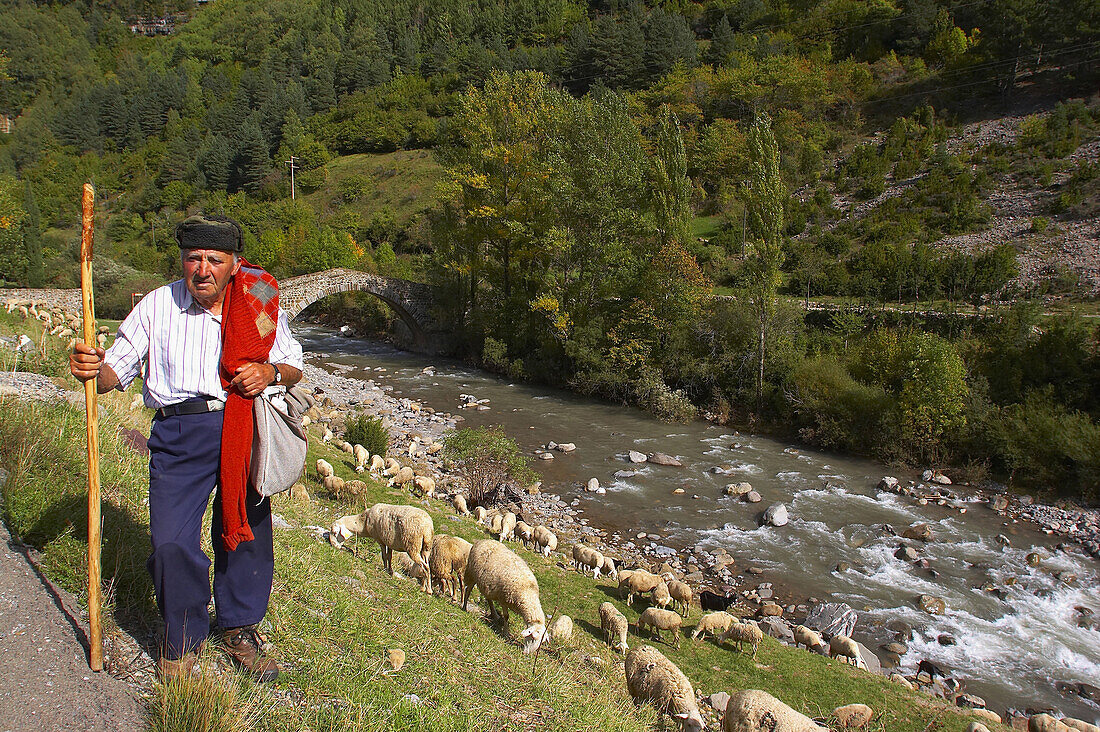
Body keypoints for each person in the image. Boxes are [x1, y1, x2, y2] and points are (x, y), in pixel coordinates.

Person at [70, 214, 304, 681]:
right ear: (182, 261)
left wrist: (270, 373)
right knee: (171, 543)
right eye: (193, 259)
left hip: (243, 428)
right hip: (179, 434)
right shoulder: (158, 307)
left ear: (234, 265)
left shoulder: (256, 305)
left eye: (214, 260)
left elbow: (293, 364)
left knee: (246, 532)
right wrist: (95, 369)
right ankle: (183, 637)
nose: (203, 270)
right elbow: (118, 369)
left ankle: (238, 628)